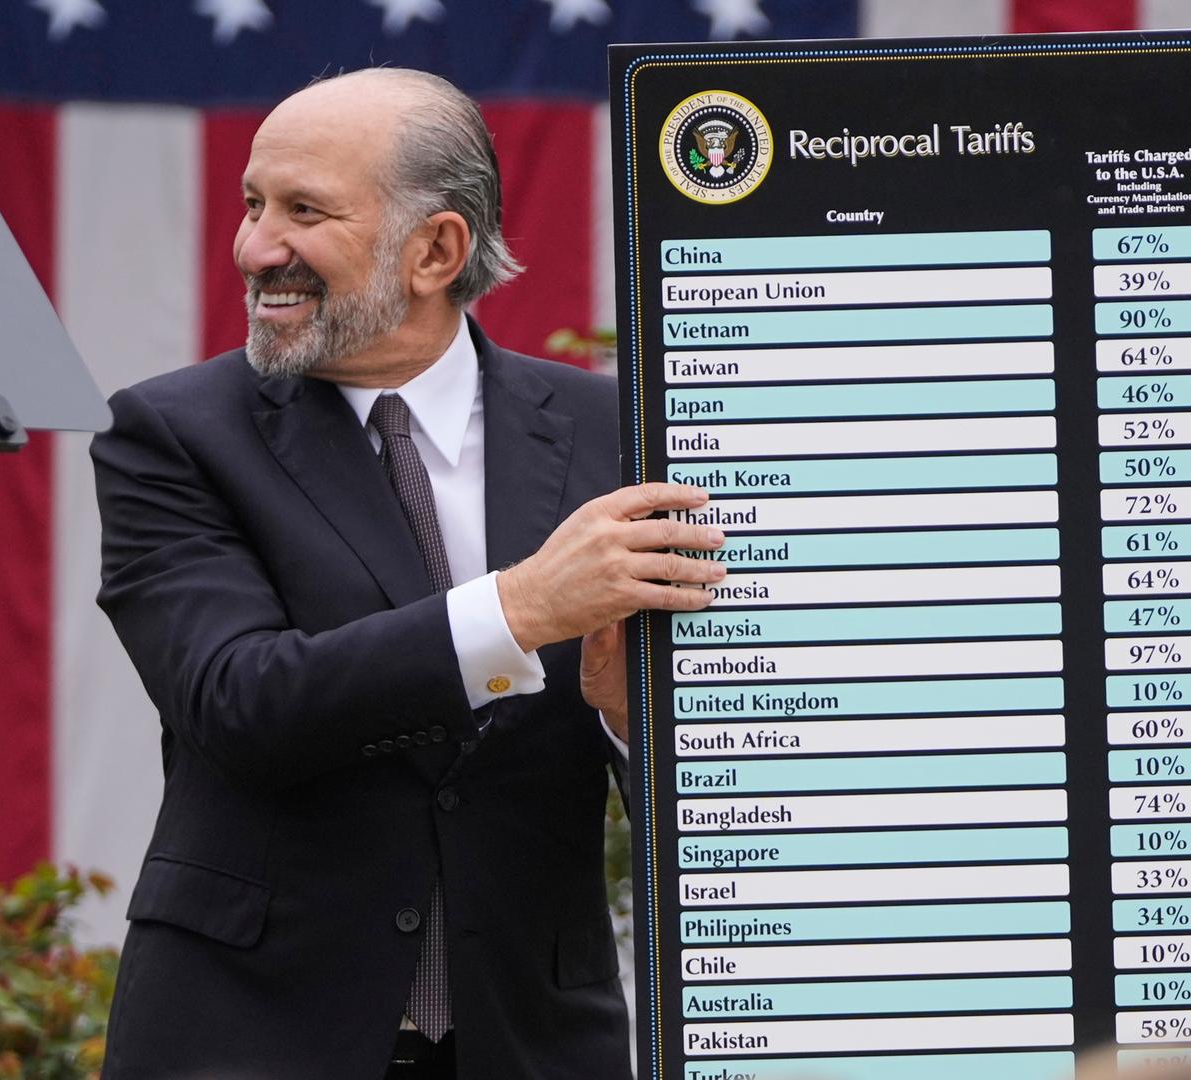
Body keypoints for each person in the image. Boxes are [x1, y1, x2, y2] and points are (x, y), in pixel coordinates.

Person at [90, 67, 724, 1079]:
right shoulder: (170, 435)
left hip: (533, 1041)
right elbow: (242, 702)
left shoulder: (621, 433)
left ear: (436, 249)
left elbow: (726, 774)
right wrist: (520, 610)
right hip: (249, 1038)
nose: (257, 247)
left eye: (304, 211)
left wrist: (623, 717)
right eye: (253, 204)